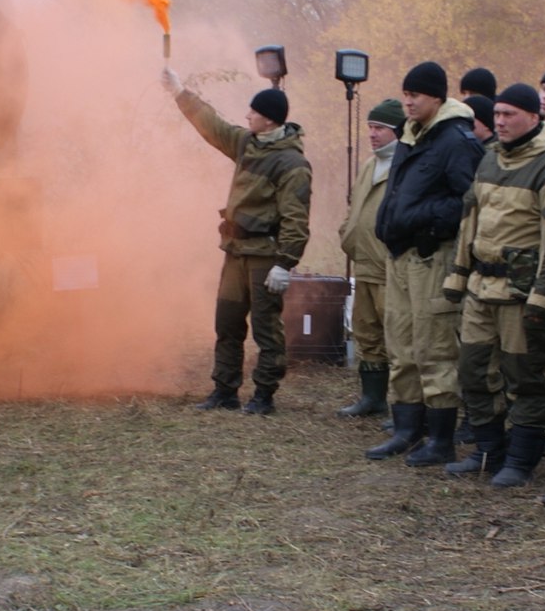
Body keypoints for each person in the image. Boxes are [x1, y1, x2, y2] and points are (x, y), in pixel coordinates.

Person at [162, 68, 312, 416]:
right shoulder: (247, 143)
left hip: (264, 257)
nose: (247, 116)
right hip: (235, 252)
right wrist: (181, 92)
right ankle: (225, 390)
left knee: (266, 329)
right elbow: (213, 126)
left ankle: (264, 395)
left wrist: (284, 262)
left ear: (270, 120)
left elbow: (296, 218)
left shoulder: (292, 164)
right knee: (227, 324)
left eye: (254, 112)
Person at [367, 61, 485, 466]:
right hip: (399, 257)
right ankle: (406, 429)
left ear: (437, 96)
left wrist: (427, 221)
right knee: (400, 343)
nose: (408, 101)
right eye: (405, 94)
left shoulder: (456, 140)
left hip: (432, 257)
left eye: (415, 94)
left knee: (433, 347)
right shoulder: (410, 137)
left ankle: (440, 439)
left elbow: (470, 200)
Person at [442, 84, 545, 485]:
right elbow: (469, 222)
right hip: (480, 290)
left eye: (510, 114)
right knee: (472, 371)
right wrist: (458, 275)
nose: (500, 121)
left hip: (521, 296)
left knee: (525, 378)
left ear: (533, 118)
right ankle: (488, 451)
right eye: (497, 114)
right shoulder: (488, 161)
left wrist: (542, 296)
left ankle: (521, 461)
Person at [336, 98, 405, 417]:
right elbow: (356, 206)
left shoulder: (404, 164)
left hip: (389, 267)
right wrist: (347, 231)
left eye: (380, 128)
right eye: (371, 128)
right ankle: (372, 398)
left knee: (397, 337)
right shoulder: (369, 165)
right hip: (364, 262)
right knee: (365, 332)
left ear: (396, 131)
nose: (373, 134)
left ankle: (404, 406)